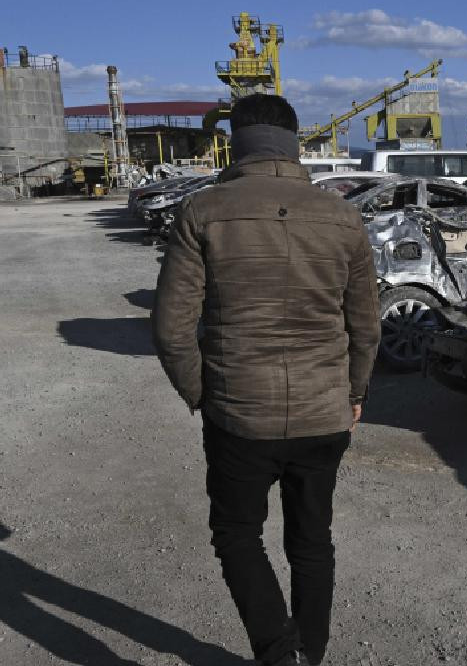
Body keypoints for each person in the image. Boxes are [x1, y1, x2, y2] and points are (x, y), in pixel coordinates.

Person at [151, 94, 380, 666]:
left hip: (238, 416)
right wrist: (354, 393)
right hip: (325, 413)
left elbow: (172, 328)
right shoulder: (343, 216)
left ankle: (278, 653)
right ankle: (312, 654)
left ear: (237, 141)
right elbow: (365, 325)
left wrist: (202, 392)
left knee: (236, 534)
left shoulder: (203, 211)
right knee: (311, 542)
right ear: (295, 141)